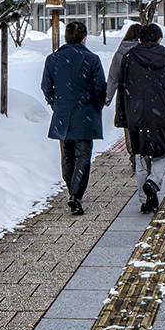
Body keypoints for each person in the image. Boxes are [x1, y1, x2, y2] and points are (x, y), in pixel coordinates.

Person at [116, 23, 165, 214]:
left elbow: (122, 89)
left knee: (141, 157)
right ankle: (154, 180)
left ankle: (144, 201)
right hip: (161, 112)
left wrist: (121, 117)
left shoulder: (129, 57)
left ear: (140, 39)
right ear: (159, 38)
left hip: (136, 114)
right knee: (162, 154)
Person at [41, 19, 106, 215]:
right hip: (85, 114)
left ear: (65, 38)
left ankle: (71, 189)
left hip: (63, 113)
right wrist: (96, 106)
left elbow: (46, 86)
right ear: (84, 38)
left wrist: (56, 104)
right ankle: (76, 194)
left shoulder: (53, 59)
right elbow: (100, 88)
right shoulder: (92, 59)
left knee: (67, 155)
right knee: (83, 156)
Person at [106, 23, 142, 172]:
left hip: (125, 95)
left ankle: (133, 156)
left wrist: (107, 97)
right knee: (143, 125)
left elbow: (113, 77)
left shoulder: (120, 52)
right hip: (143, 94)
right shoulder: (144, 51)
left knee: (128, 127)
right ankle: (144, 155)